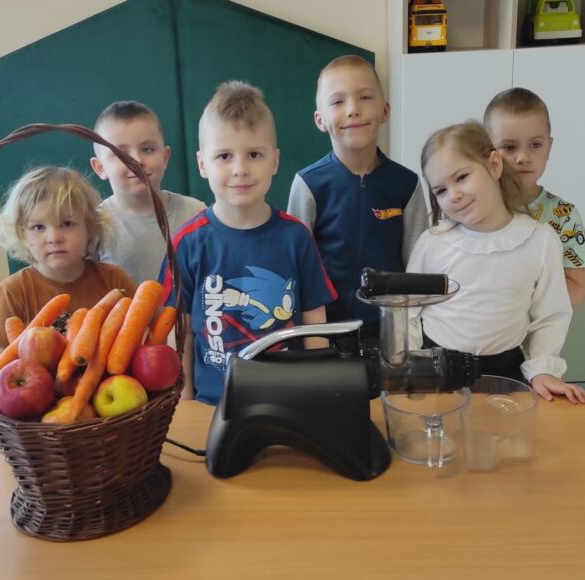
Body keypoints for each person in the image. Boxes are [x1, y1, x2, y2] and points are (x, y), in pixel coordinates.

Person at [161, 81, 336, 405]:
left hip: (289, 401)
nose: (240, 169)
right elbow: (179, 332)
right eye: (224, 156)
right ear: (202, 164)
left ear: (274, 161)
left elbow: (315, 323)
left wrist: (318, 397)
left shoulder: (296, 237)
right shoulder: (186, 243)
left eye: (254, 154)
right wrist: (184, 405)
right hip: (212, 406)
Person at [408, 121, 585, 404]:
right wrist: (410, 365)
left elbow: (550, 314)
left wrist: (543, 369)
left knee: (505, 431)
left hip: (506, 372)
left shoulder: (539, 240)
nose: (454, 195)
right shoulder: (432, 243)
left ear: (494, 165)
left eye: (462, 177)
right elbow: (408, 310)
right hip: (437, 371)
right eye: (441, 191)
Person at [287, 55, 428, 340]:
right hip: (323, 333)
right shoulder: (308, 184)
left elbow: (418, 266)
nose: (353, 110)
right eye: (338, 101)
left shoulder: (407, 184)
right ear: (320, 120)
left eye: (365, 97)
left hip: (389, 333)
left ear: (385, 110)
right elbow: (294, 266)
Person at [0, 166, 137, 361]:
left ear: (90, 227)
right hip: (32, 381)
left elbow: (142, 339)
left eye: (67, 224)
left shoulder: (114, 281)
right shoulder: (12, 292)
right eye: (38, 227)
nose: (54, 238)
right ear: (22, 234)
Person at [483, 87, 585, 308]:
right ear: (488, 152)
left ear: (549, 148)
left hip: (538, 328)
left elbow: (578, 292)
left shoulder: (565, 216)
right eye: (509, 147)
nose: (523, 157)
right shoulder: (475, 209)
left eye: (535, 145)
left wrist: (520, 292)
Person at [90, 101, 206, 283]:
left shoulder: (196, 213)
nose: (137, 160)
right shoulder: (94, 226)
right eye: (121, 154)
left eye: (147, 149)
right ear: (100, 167)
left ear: (165, 157)